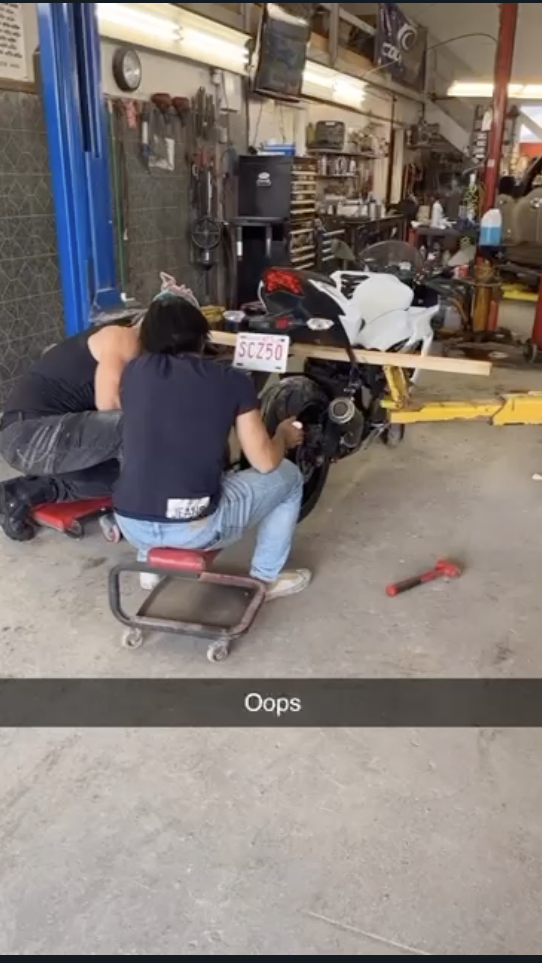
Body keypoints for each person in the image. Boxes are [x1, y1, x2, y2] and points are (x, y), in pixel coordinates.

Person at [114, 293, 311, 601]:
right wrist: (283, 438)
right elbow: (264, 462)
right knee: (289, 477)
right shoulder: (231, 380)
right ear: (202, 337)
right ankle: (265, 578)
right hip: (195, 529)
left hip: (131, 525)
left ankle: (149, 565)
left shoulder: (133, 373)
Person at [0, 275, 195, 543]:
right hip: (26, 437)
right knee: (140, 439)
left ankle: (22, 493)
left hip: (53, 443)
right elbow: (110, 408)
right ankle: (149, 522)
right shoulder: (123, 338)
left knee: (137, 473)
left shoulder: (143, 358)